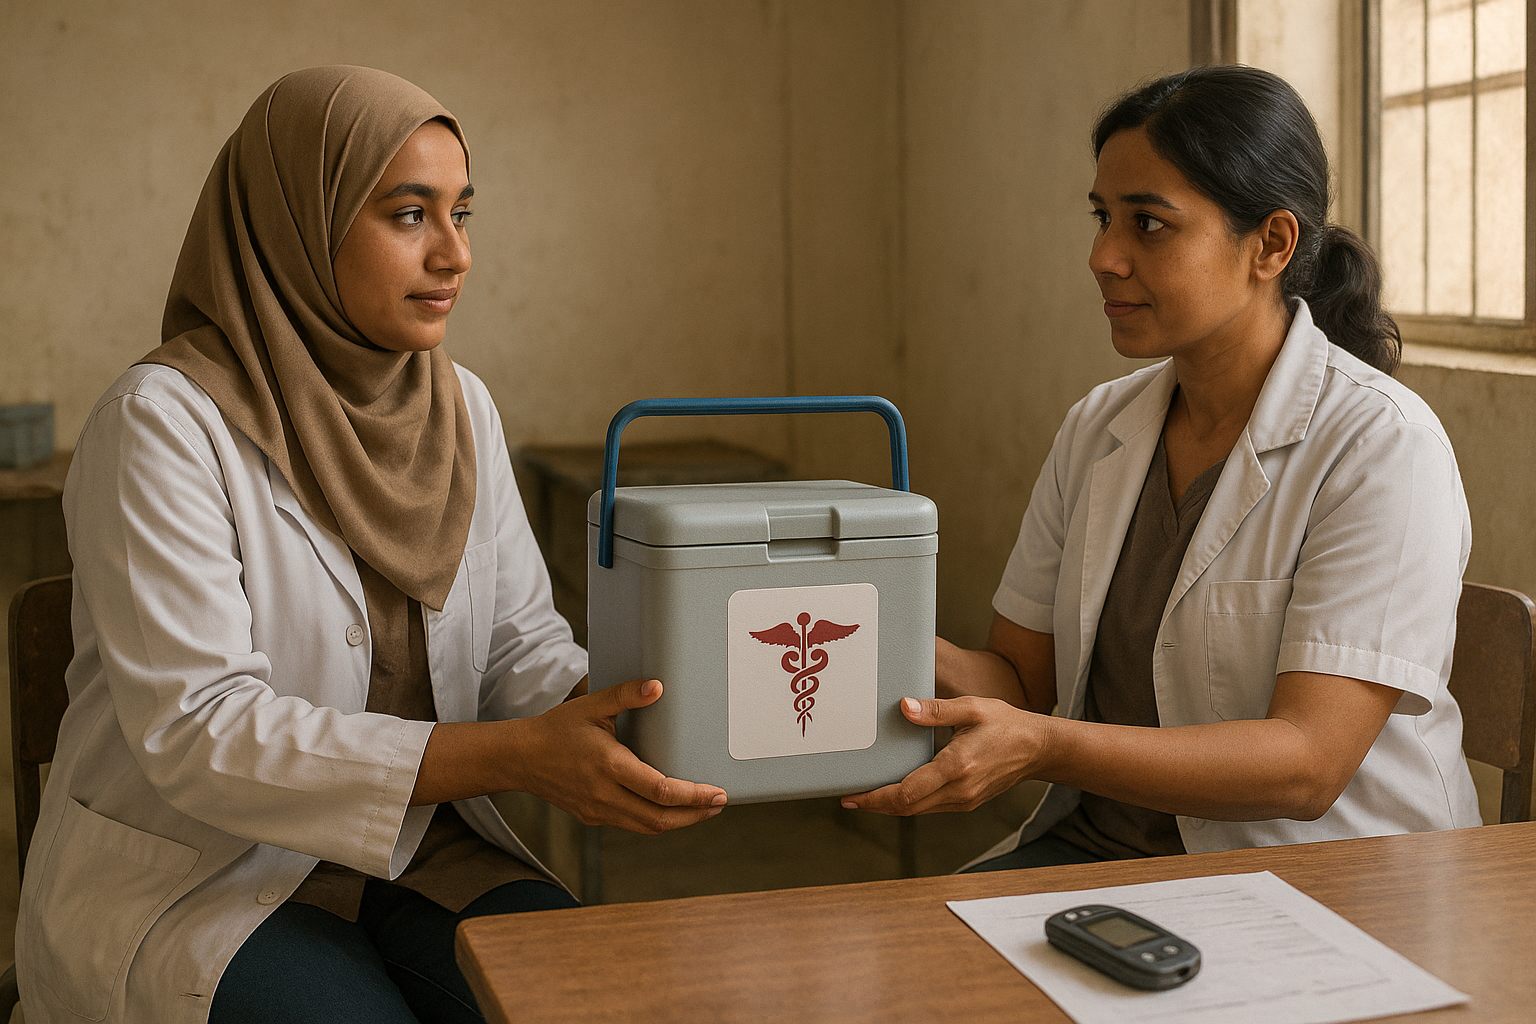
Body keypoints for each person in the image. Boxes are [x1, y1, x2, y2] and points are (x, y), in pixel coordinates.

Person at [15, 66, 726, 1024]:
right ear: (296, 225)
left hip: (423, 852)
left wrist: (643, 715)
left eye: (462, 213)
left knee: (588, 999)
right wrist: (519, 755)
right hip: (210, 878)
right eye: (407, 215)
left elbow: (518, 647)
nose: (455, 255)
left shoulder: (459, 406)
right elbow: (203, 732)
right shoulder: (161, 423)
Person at [842, 65, 1481, 868]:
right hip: (1101, 853)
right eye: (1103, 217)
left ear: (1272, 245)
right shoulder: (1099, 428)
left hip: (1325, 879)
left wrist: (1043, 747)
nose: (1102, 257)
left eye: (1148, 225)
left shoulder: (1381, 446)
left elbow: (1306, 768)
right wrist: (882, 638)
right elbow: (1018, 680)